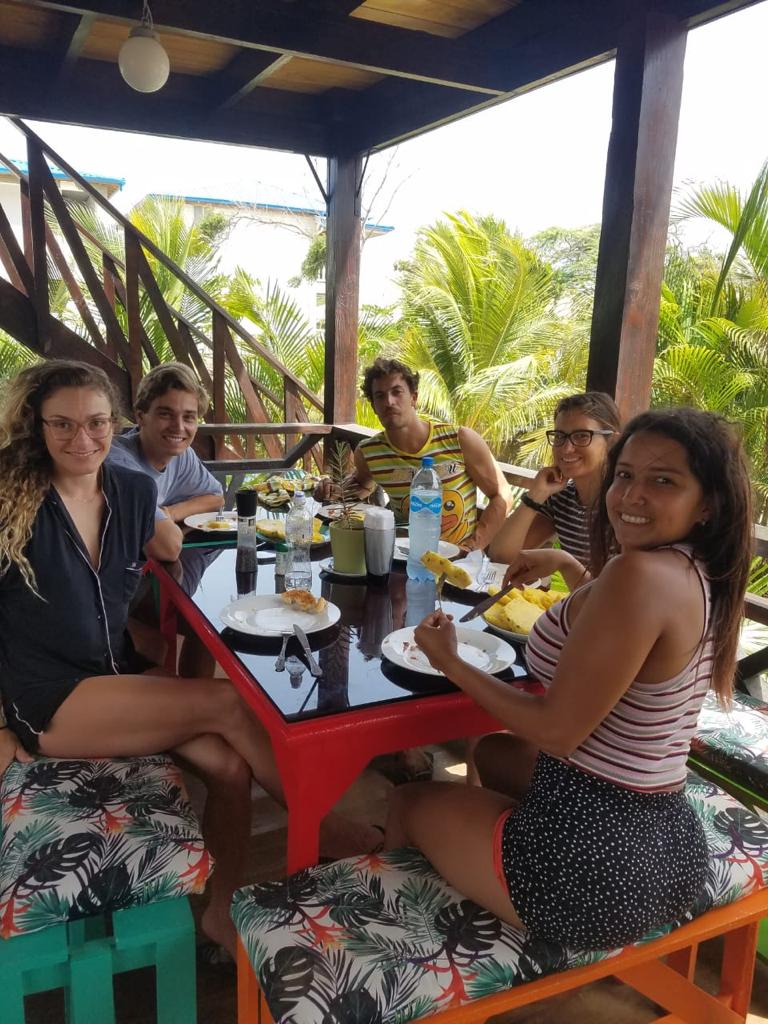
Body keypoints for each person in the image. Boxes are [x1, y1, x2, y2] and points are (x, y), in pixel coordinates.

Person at [0, 360, 382, 957]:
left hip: (115, 674)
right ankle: (320, 822)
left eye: (96, 423)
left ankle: (220, 914)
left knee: (229, 767)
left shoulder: (130, 490)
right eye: (63, 424)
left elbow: (168, 547)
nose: (82, 439)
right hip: (48, 698)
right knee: (229, 701)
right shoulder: (13, 502)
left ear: (115, 424)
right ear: (37, 425)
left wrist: (157, 519)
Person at [385, 407, 751, 950]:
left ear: (708, 503)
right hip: (670, 845)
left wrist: (451, 662)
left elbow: (556, 732)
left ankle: (408, 947)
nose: (631, 495)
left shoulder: (637, 573)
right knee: (493, 753)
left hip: (593, 872)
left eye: (663, 481)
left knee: (406, 802)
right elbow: (622, 634)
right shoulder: (703, 569)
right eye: (625, 475)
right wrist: (567, 565)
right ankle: (487, 846)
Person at [317, 358, 512, 550]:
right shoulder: (369, 452)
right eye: (380, 396)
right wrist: (331, 490)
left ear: (414, 397)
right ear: (374, 406)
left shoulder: (459, 440)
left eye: (397, 392)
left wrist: (472, 547)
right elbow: (361, 486)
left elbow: (502, 495)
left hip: (459, 560)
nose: (389, 402)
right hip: (404, 557)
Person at [488, 391, 621, 582]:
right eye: (560, 436)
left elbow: (619, 594)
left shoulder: (624, 504)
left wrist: (564, 562)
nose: (566, 448)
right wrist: (536, 494)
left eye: (582, 436)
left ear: (612, 441)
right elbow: (501, 556)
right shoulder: (562, 499)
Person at [106, 362, 225, 562]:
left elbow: (216, 499)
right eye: (165, 414)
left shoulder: (182, 455)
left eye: (188, 417)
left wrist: (170, 513)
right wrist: (169, 525)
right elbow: (167, 548)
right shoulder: (118, 461)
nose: (178, 427)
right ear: (141, 417)